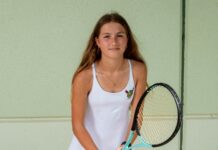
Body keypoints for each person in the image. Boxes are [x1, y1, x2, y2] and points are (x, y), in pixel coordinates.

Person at [68, 12, 148, 150]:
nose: (114, 42)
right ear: (97, 42)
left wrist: (125, 145)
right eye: (107, 37)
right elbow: (77, 126)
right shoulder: (84, 77)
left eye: (119, 35)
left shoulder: (139, 70)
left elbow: (137, 118)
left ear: (127, 39)